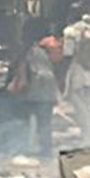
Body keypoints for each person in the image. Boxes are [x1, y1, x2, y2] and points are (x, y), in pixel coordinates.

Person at [11, 26, 59, 156]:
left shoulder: (27, 50)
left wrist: (16, 87)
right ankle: (46, 151)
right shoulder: (47, 49)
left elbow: (22, 72)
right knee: (45, 123)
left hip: (34, 91)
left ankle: (23, 147)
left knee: (24, 121)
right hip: (49, 90)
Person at [62, 11, 90, 140]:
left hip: (78, 72)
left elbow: (68, 53)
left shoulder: (71, 32)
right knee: (89, 105)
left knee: (80, 105)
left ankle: (87, 136)